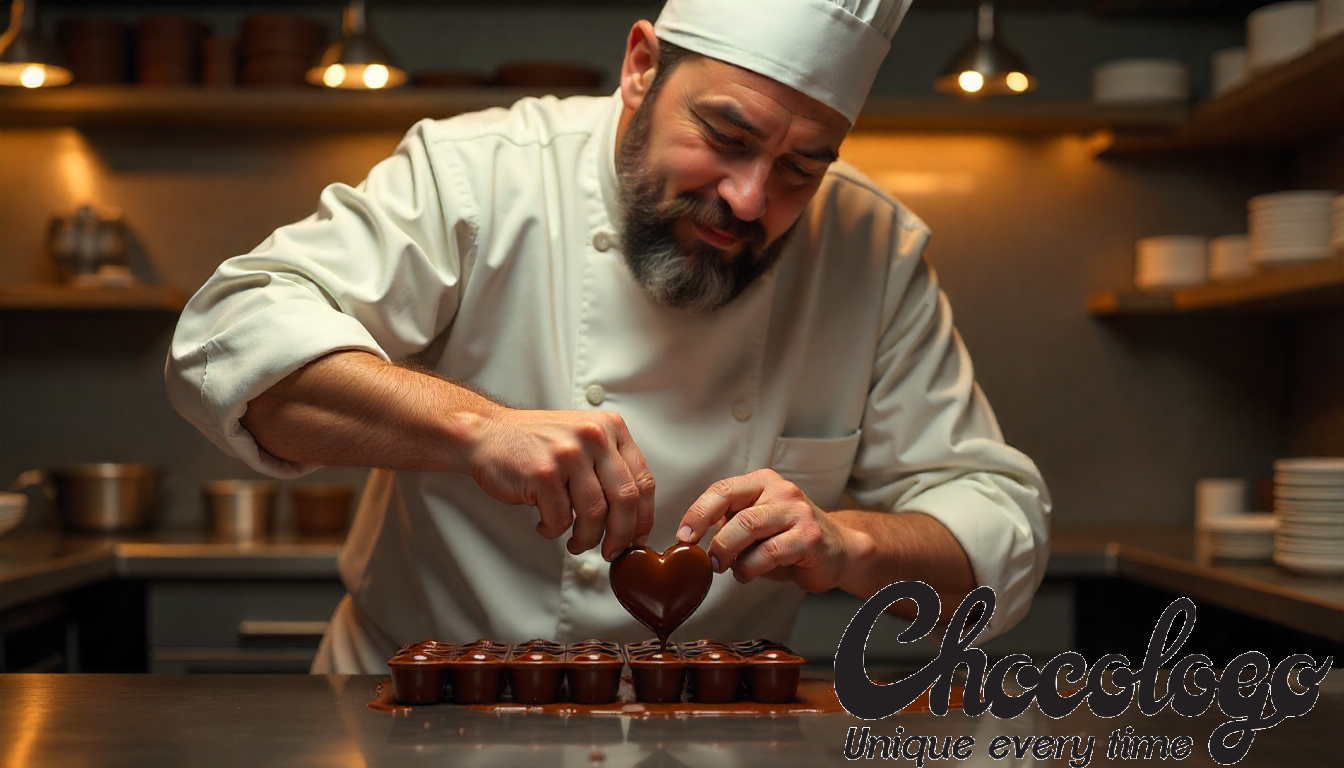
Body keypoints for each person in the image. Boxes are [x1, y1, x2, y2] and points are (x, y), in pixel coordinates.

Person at [166, 0, 1050, 674]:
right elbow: (231, 336)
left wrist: (848, 545)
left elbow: (1000, 526)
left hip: (715, 735)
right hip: (414, 713)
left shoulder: (873, 250)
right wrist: (477, 430)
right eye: (726, 136)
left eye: (800, 168)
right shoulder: (477, 175)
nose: (749, 199)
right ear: (641, 67)